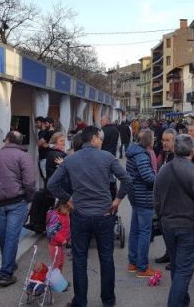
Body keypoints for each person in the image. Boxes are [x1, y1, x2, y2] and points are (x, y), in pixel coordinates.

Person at [47, 126, 131, 307]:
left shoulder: (70, 160)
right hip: (104, 215)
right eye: (100, 139)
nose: (101, 142)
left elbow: (52, 184)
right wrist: (117, 200)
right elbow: (127, 179)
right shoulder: (108, 157)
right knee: (106, 258)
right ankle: (108, 301)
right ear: (93, 139)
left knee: (79, 260)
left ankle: (80, 302)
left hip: (81, 216)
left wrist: (68, 199)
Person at [154, 134, 194, 307]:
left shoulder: (164, 169)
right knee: (183, 271)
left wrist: (162, 215)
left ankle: (183, 301)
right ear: (193, 151)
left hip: (168, 225)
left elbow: (156, 199)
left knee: (178, 268)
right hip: (190, 226)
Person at [0, 131, 36, 287]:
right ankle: (6, 273)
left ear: (7, 140)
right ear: (20, 143)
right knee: (12, 236)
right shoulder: (23, 156)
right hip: (17, 200)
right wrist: (29, 198)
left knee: (4, 235)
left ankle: (9, 264)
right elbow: (30, 181)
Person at [125, 129, 157, 278]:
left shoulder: (133, 152)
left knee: (135, 230)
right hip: (144, 196)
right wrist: (159, 177)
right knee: (144, 232)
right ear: (148, 141)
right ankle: (142, 267)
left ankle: (133, 262)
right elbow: (148, 177)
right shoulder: (142, 155)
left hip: (135, 195)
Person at [155, 128, 177, 266]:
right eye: (163, 140)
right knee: (164, 229)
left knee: (172, 231)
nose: (164, 143)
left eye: (167, 140)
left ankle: (174, 258)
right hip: (163, 199)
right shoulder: (164, 154)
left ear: (175, 141)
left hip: (174, 200)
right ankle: (169, 253)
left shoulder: (178, 157)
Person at [46, 201, 71, 271]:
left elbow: (67, 228)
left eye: (69, 208)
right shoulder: (55, 216)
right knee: (56, 264)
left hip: (62, 244)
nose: (67, 210)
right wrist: (62, 240)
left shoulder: (66, 215)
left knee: (61, 263)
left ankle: (59, 279)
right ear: (60, 205)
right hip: (54, 245)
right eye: (66, 207)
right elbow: (51, 230)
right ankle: (54, 280)